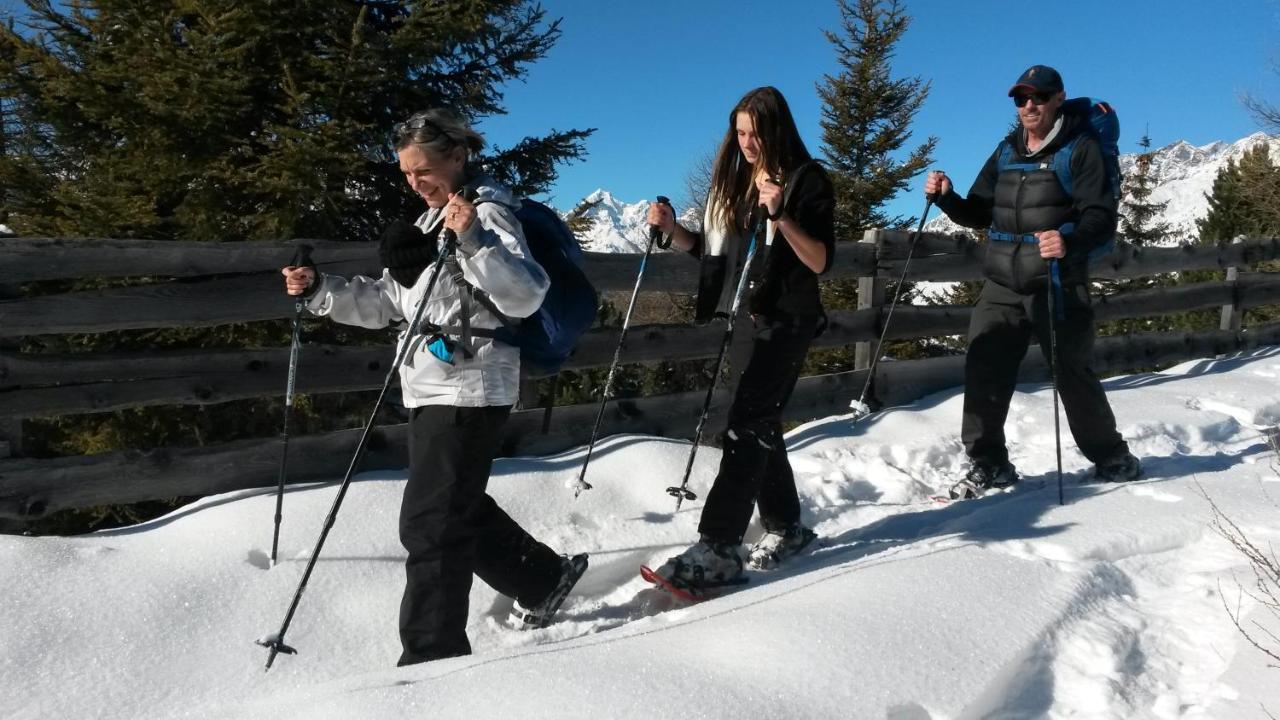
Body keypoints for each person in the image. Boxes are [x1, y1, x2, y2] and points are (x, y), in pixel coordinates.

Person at [281, 108, 587, 666]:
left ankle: (431, 661)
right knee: (450, 508)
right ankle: (543, 577)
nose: (415, 183)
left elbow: (524, 294)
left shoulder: (488, 213)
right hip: (428, 385)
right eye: (405, 174)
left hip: (471, 387)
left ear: (458, 156)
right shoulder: (428, 222)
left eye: (423, 170)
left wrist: (470, 236)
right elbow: (391, 304)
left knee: (430, 526)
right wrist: (320, 290)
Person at [644, 86, 834, 588]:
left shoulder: (806, 180)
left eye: (756, 132)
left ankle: (720, 545)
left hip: (787, 319)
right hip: (746, 321)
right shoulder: (739, 184)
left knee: (746, 423)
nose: (747, 142)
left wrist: (781, 215)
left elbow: (818, 260)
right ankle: (787, 527)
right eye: (741, 133)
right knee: (759, 421)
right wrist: (672, 230)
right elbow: (715, 257)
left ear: (777, 130)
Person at [925, 64, 1141, 499]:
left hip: (1057, 281)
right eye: (1020, 98)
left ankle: (1111, 456)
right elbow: (979, 213)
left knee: (1072, 373)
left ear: (1058, 98)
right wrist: (947, 199)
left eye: (1037, 97)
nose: (1028, 106)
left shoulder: (1080, 150)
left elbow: (1100, 217)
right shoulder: (1006, 151)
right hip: (1002, 284)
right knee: (984, 368)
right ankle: (989, 464)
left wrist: (1068, 240)